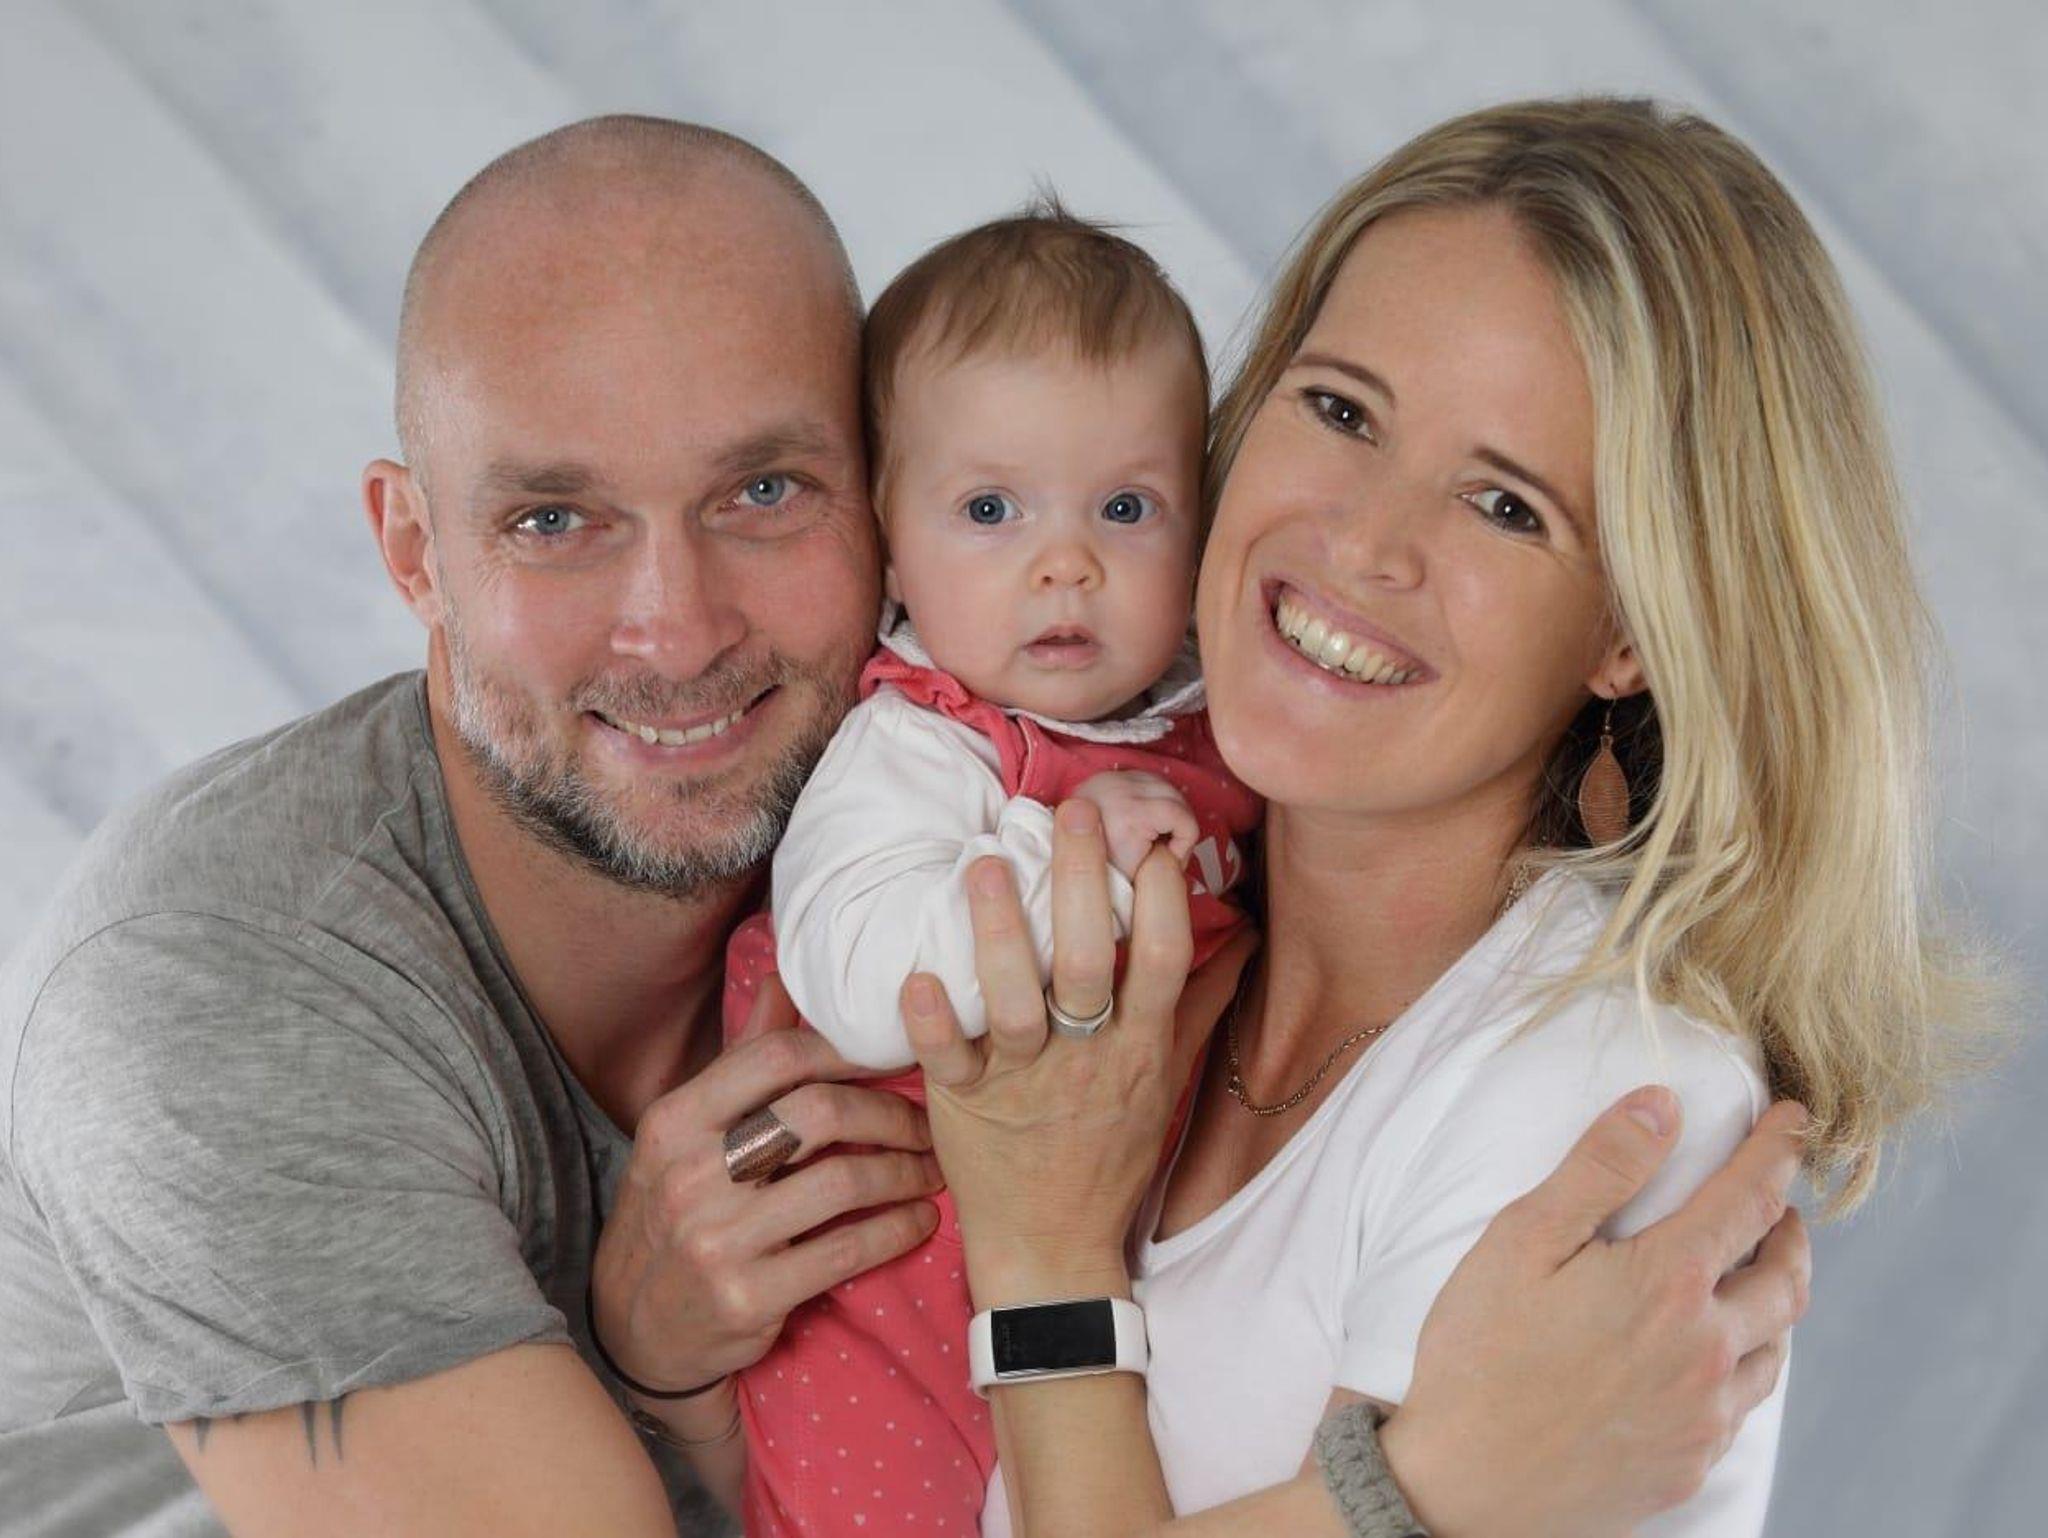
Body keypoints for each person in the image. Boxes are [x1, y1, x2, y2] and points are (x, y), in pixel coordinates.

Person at [0, 114, 1806, 1538]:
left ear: (881, 508)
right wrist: (1403, 1498)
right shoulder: (219, 1003)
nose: (676, 627)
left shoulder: (1155, 839)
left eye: (765, 491)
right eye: (555, 520)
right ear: (413, 549)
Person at [900, 96, 1997, 1537]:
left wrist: (1044, 1256)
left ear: (1634, 632)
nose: (1363, 541)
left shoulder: (1607, 1094)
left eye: (1504, 504)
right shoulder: (1151, 907)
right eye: (1342, 411)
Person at [723, 205, 1261, 1536]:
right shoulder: (922, 744)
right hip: (888, 1280)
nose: (1066, 562)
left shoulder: (1214, 723)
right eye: (989, 509)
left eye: (1126, 508)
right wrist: (1055, 848)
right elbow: (861, 983)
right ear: (890, 545)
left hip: (1102, 1245)